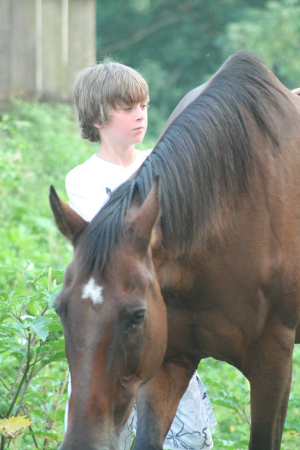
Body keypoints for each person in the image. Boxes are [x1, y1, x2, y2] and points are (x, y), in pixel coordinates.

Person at [65, 60, 217, 449]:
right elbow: (112, 246)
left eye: (145, 106)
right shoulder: (83, 179)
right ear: (97, 117)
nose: (141, 116)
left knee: (186, 439)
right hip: (110, 331)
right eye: (128, 107)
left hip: (161, 326)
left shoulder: (160, 164)